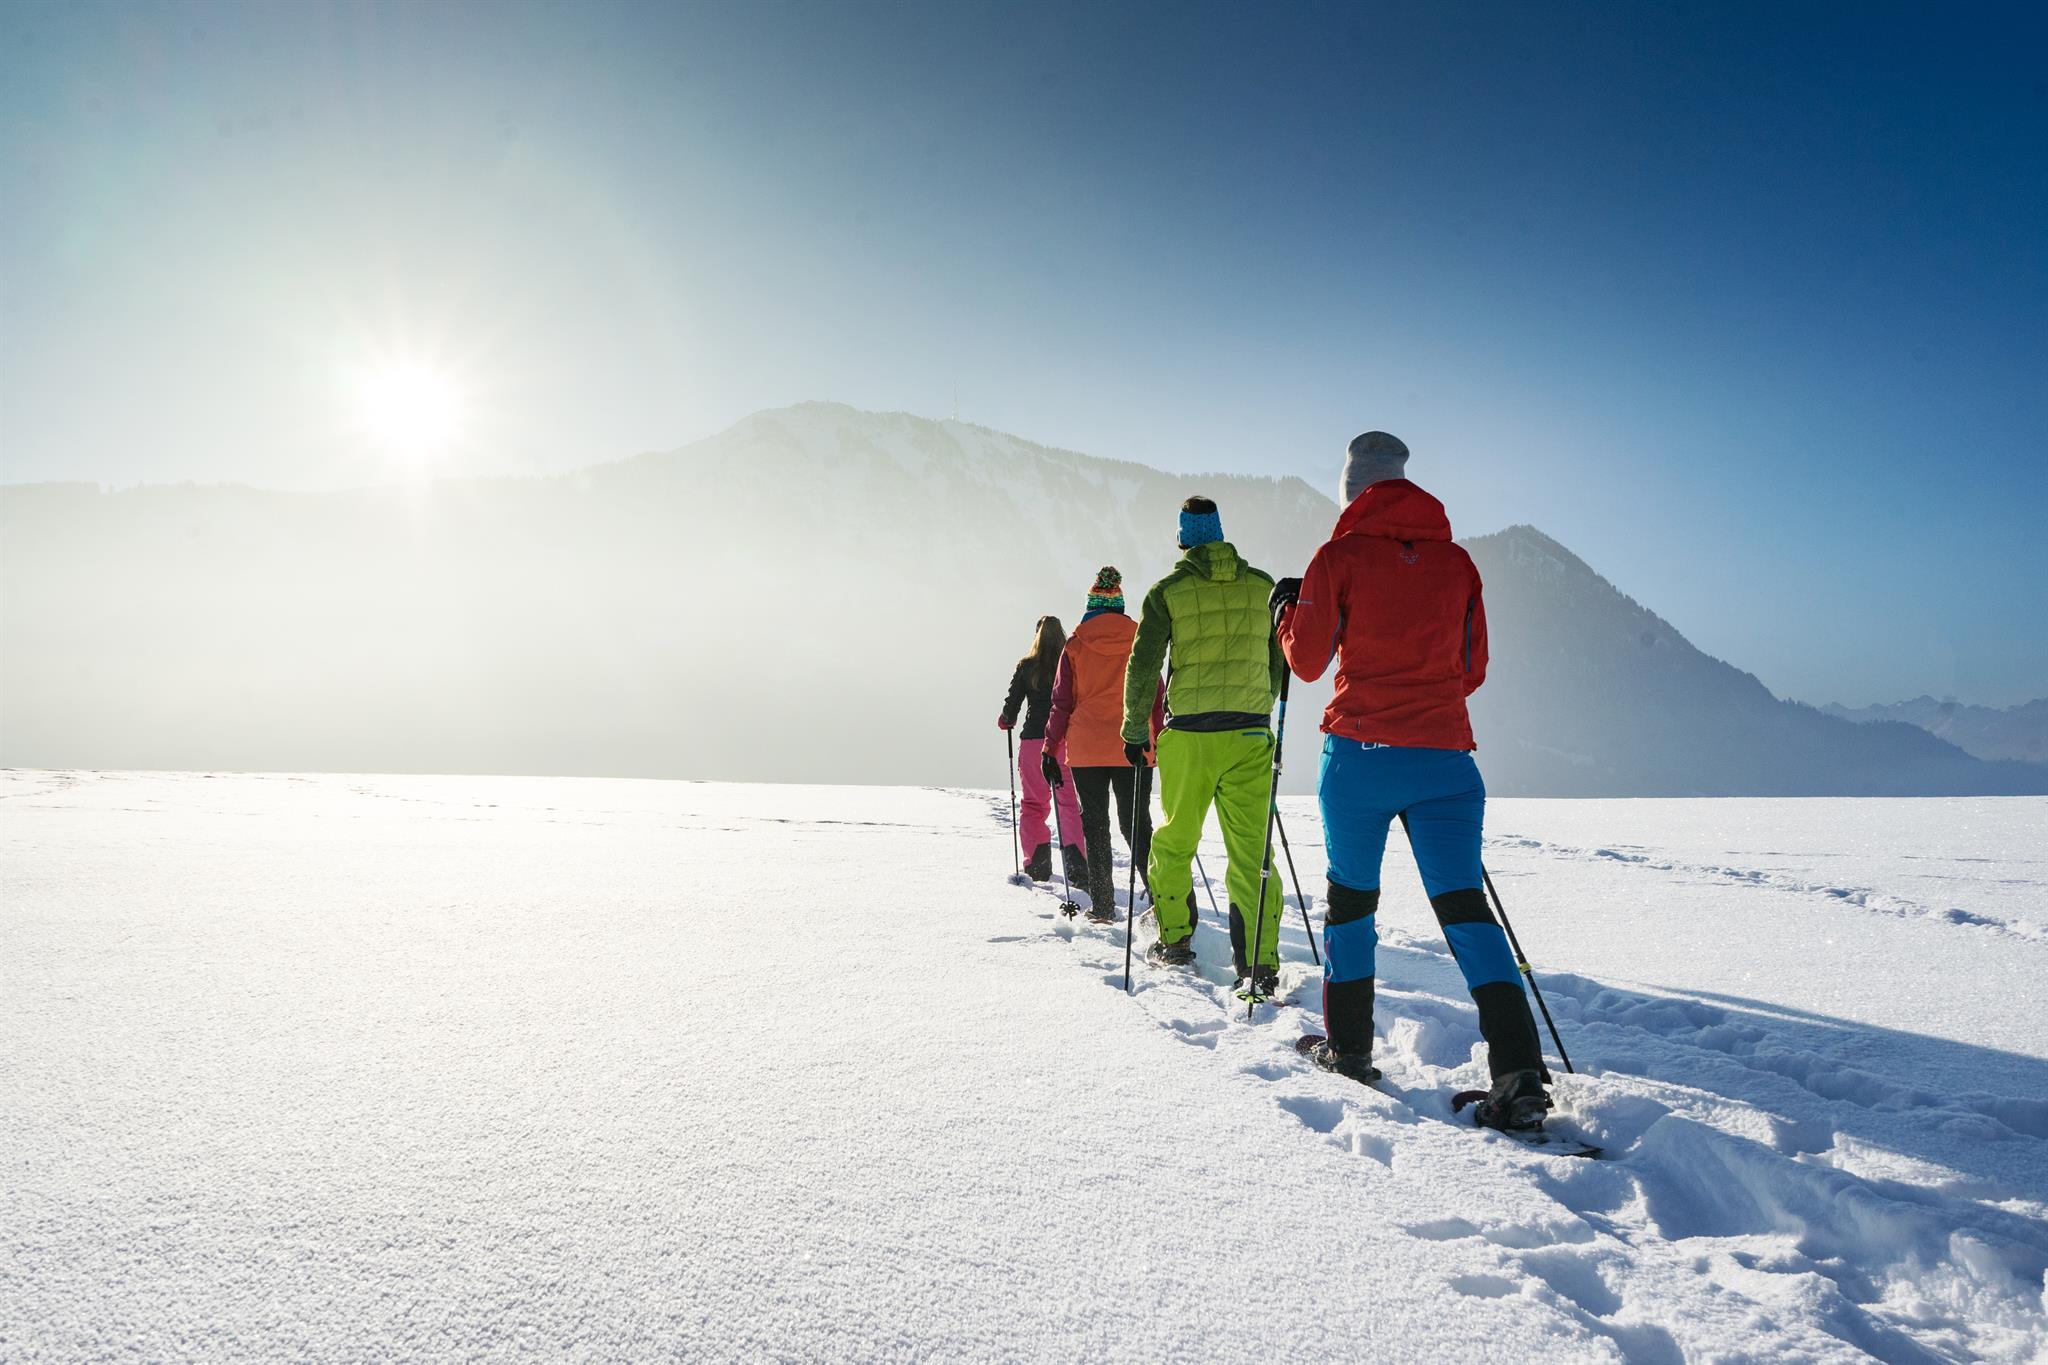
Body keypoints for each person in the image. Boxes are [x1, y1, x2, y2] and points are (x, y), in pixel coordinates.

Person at [1273, 430, 1550, 1131]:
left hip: (1360, 757)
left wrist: (1287, 612)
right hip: (1446, 762)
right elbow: (1472, 670)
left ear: (1351, 489)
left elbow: (1305, 663)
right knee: (1466, 912)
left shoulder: (1337, 557)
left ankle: (1350, 1047)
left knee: (1353, 905)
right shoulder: (1458, 564)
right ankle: (1518, 1071)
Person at [1120, 497, 1286, 992]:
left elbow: (1143, 666)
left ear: (1183, 540)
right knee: (1252, 851)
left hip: (1189, 735)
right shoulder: (1262, 587)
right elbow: (1277, 659)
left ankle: (1175, 941)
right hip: (1251, 733)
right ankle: (1258, 964)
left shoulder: (1167, 591)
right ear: (1220, 534)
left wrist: (1133, 730)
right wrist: (1258, 701)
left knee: (1173, 841)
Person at [1043, 567, 1164, 924]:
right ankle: (1161, 901)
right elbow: (1156, 697)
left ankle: (1103, 906)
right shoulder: (1140, 639)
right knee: (1137, 825)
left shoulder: (1076, 644)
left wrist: (1050, 747)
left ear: (1090, 608)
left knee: (1095, 824)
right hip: (1135, 744)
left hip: (1087, 748)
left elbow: (1061, 702)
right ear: (1121, 607)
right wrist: (1161, 741)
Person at [1000, 616, 1086, 887]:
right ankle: (1078, 866)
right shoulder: (1070, 663)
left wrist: (1006, 720)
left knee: (1034, 804)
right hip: (1063, 743)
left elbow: (1011, 709)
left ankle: (1037, 864)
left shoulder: (1026, 667)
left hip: (1033, 743)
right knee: (1068, 804)